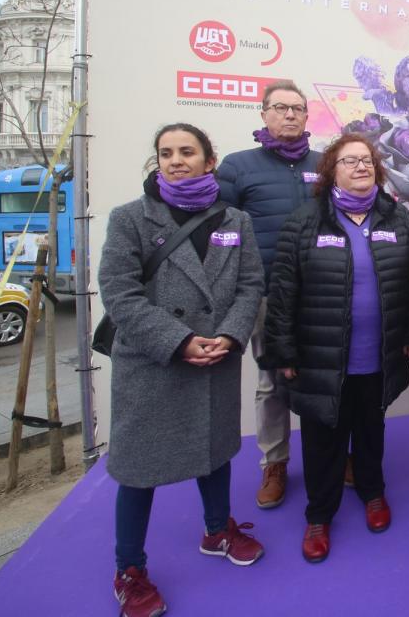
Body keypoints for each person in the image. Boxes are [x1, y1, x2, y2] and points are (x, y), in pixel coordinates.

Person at [98, 123, 265, 617]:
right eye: (165, 152)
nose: (175, 160)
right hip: (154, 363)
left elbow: (251, 284)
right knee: (139, 470)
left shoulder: (235, 219)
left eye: (186, 151)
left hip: (215, 355)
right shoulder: (129, 218)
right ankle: (129, 569)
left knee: (214, 452)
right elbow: (119, 294)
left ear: (208, 160)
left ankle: (217, 531)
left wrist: (230, 336)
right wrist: (178, 341)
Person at [261, 133, 409, 563]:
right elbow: (282, 293)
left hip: (379, 353)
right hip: (321, 356)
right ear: (330, 170)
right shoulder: (305, 221)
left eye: (367, 161)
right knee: (323, 438)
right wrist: (284, 351)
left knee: (371, 430)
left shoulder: (396, 219)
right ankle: (319, 515)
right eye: (349, 161)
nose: (361, 167)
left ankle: (373, 494)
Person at [216, 80, 320, 510]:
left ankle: (336, 453)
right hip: (267, 292)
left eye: (298, 108)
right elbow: (220, 231)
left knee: (330, 376)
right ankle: (274, 462)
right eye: (281, 108)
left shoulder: (326, 163)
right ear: (264, 114)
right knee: (272, 381)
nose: (290, 115)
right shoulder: (238, 166)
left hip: (323, 291)